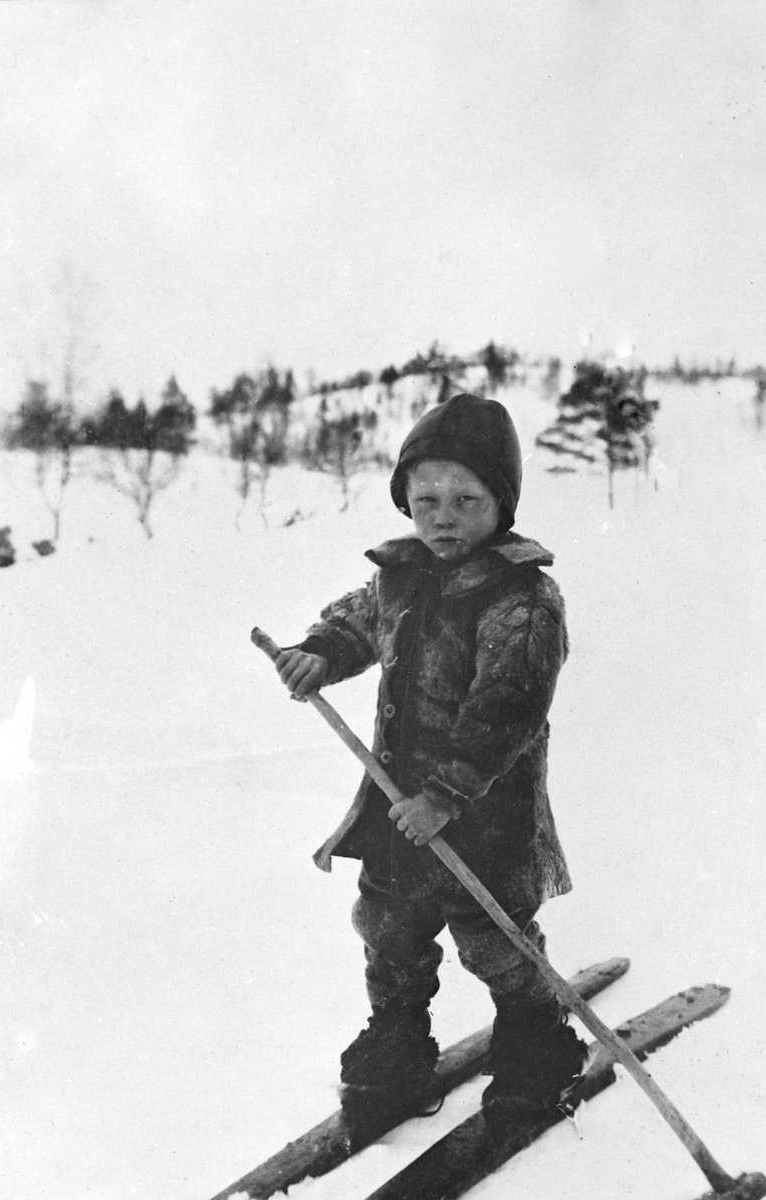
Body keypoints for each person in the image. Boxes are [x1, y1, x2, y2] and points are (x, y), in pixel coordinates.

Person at [275, 392, 587, 1129]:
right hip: (395, 806)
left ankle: (535, 1040)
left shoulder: (525, 600)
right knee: (389, 927)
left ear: (501, 503)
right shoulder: (401, 576)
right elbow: (358, 620)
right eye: (425, 500)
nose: (442, 516)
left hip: (486, 814)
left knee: (491, 938)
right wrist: (318, 655)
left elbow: (504, 711)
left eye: (465, 499)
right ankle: (398, 1040)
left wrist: (446, 795)